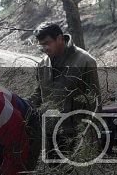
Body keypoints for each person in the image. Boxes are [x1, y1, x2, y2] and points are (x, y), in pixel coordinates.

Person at [28, 22, 101, 162]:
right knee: (54, 172)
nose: (44, 48)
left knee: (76, 173)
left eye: (47, 43)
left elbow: (95, 102)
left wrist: (91, 139)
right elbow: (39, 94)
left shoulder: (85, 61)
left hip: (77, 134)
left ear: (60, 39)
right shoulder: (42, 65)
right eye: (41, 45)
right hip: (51, 133)